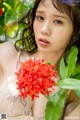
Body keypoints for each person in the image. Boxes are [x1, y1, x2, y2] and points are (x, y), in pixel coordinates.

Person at [0, 0, 80, 120]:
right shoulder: (6, 55)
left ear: (76, 30)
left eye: (58, 21)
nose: (44, 30)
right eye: (40, 17)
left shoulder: (70, 92)